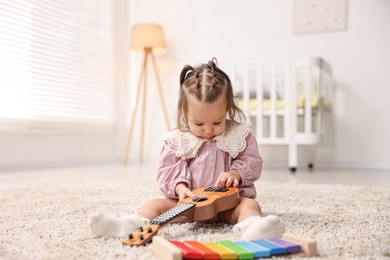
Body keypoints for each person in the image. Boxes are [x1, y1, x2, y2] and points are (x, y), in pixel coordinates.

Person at [88, 58, 285, 240]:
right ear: (185, 112)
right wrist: (180, 187)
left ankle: (253, 228)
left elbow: (252, 160)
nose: (208, 130)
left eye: (217, 121)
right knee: (153, 204)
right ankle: (127, 224)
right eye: (199, 123)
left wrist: (236, 173)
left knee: (250, 205)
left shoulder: (238, 135)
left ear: (227, 109)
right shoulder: (178, 140)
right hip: (186, 206)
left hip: (227, 205)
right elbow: (167, 169)